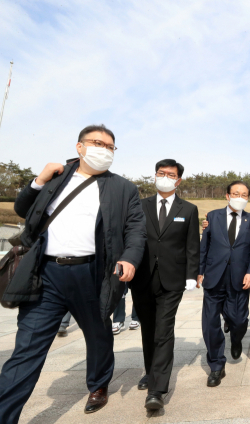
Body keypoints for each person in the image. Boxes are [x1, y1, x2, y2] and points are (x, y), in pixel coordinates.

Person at [0, 125, 146, 422]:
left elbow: (135, 229)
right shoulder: (57, 177)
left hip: (92, 273)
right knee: (26, 349)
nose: (103, 150)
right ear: (79, 147)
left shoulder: (123, 188)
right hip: (46, 273)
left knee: (98, 334)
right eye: (97, 143)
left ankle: (99, 383)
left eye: (110, 147)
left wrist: (130, 258)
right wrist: (38, 181)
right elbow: (23, 209)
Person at [128, 159, 199, 410]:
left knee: (163, 330)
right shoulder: (139, 205)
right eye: (161, 173)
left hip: (172, 279)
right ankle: (151, 371)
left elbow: (192, 246)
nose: (165, 177)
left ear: (178, 180)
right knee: (148, 329)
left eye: (171, 174)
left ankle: (157, 390)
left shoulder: (188, 209)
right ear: (154, 176)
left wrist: (192, 273)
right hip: (142, 278)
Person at [199, 181, 250, 386]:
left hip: (239, 278)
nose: (239, 197)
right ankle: (216, 365)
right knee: (210, 323)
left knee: (239, 319)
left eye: (244, 194)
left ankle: (236, 338)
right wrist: (200, 272)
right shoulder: (212, 217)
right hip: (214, 276)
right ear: (227, 196)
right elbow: (204, 246)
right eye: (235, 193)